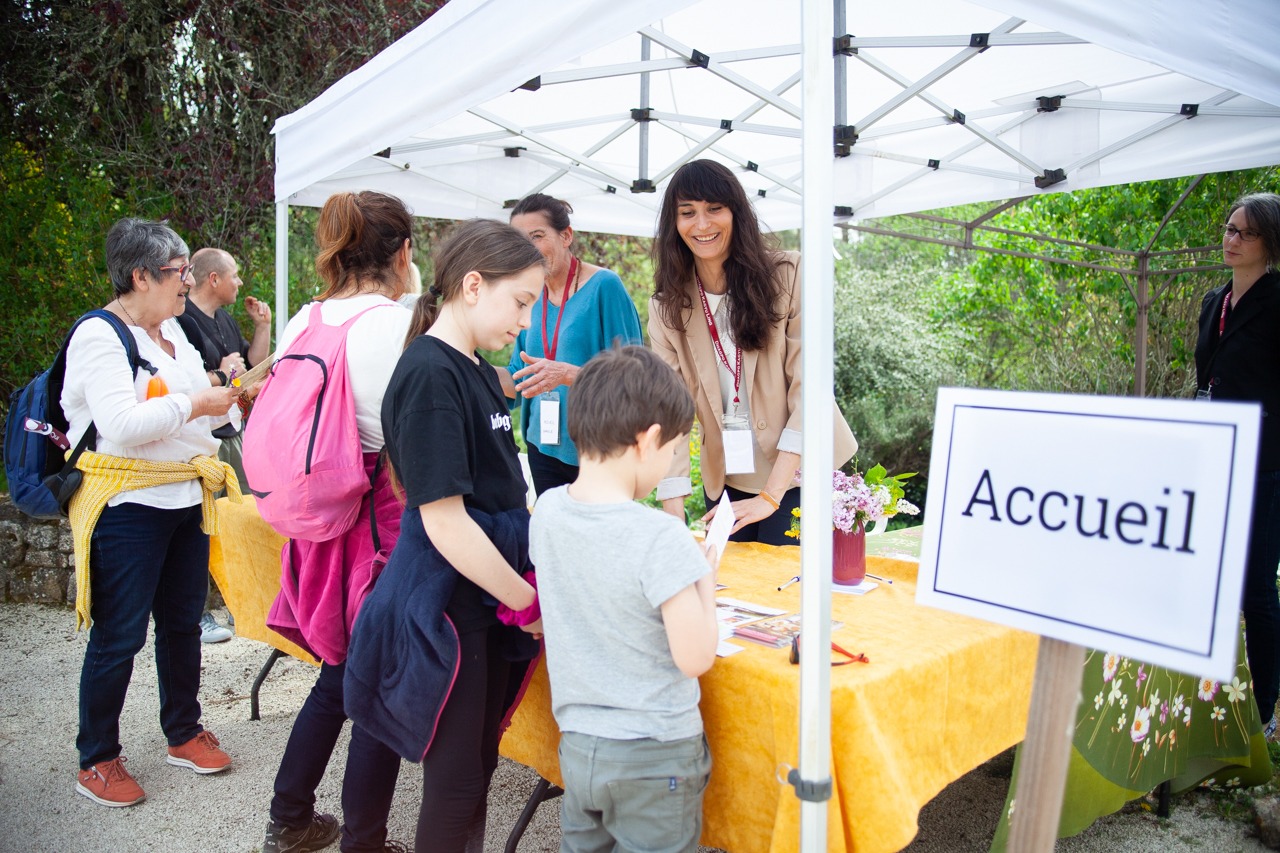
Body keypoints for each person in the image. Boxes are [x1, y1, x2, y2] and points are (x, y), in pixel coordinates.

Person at [343, 218, 545, 853]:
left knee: (478, 770)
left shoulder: (479, 370)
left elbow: (500, 486)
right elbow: (445, 519)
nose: (523, 321)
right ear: (473, 285)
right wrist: (526, 601)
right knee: (457, 785)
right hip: (449, 606)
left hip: (481, 603)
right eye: (520, 302)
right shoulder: (432, 374)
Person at [63, 217, 242, 808]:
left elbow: (202, 410)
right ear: (140, 276)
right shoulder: (99, 335)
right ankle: (98, 758)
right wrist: (199, 400)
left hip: (184, 497)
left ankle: (183, 731)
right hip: (127, 504)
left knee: (183, 623)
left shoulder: (175, 332)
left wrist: (233, 398)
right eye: (177, 272)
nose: (187, 282)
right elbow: (120, 426)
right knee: (118, 635)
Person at [261, 191, 415, 853]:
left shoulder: (307, 318)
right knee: (375, 684)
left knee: (337, 673)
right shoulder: (392, 325)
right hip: (376, 526)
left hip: (320, 525)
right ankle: (365, 842)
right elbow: (414, 436)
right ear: (403, 252)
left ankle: (290, 817)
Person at [531, 346, 719, 853]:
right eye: (671, 450)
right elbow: (697, 655)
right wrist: (702, 576)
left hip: (579, 747)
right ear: (648, 440)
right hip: (655, 756)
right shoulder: (661, 536)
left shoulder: (547, 511)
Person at [649, 159, 857, 544]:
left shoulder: (789, 275)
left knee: (788, 589)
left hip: (797, 473)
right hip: (727, 478)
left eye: (715, 208)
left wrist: (770, 495)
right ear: (673, 223)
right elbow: (670, 414)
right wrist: (673, 523)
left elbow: (809, 392)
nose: (702, 224)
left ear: (736, 213)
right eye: (687, 212)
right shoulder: (667, 307)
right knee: (731, 591)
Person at [1194, 192, 1280, 735]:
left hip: (1265, 464)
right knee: (1209, 580)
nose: (1230, 239)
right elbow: (1205, 380)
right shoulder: (1212, 301)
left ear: (1268, 243)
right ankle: (1206, 697)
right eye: (1228, 229)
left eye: (1243, 233)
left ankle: (1265, 710)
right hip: (1211, 458)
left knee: (1255, 589)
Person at [501, 194, 643, 496]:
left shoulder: (605, 286)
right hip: (543, 446)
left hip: (598, 452)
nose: (528, 249)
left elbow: (636, 377)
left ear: (566, 236)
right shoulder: (530, 296)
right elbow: (519, 375)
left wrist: (567, 375)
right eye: (519, 240)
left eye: (537, 237)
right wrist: (468, 365)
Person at [177, 246, 272, 644]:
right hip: (202, 440)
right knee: (199, 527)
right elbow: (189, 383)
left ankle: (244, 605)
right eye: (233, 274)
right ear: (213, 279)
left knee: (243, 519)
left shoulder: (227, 320)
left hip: (233, 434)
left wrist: (262, 325)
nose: (239, 282)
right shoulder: (182, 322)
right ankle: (198, 615)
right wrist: (223, 374)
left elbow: (248, 368)